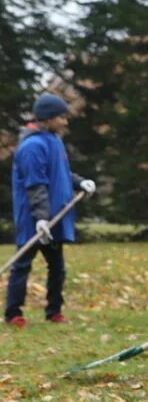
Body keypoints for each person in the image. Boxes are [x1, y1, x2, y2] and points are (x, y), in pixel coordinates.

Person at [6, 94, 95, 327]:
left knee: (57, 268)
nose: (65, 122)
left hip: (55, 217)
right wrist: (41, 219)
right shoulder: (32, 146)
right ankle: (13, 313)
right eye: (61, 117)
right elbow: (36, 185)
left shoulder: (54, 140)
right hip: (34, 219)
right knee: (22, 265)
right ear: (47, 118)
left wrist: (80, 182)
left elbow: (60, 173)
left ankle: (53, 311)